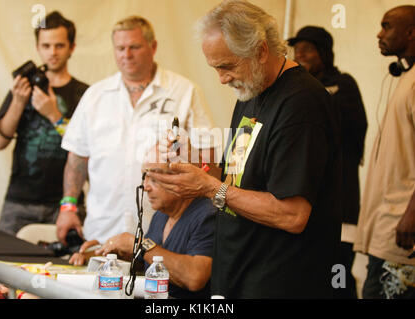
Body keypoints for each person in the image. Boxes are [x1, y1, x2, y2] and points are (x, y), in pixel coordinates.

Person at [148, 0, 342, 298]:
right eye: (215, 68)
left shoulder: (301, 103)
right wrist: (194, 161)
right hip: (238, 275)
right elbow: (237, 179)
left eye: (227, 66)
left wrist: (209, 188)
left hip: (281, 282)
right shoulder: (251, 89)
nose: (222, 79)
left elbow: (292, 214)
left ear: (261, 51)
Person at [57, 16, 215, 247]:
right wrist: (68, 207)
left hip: (165, 234)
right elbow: (77, 157)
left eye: (134, 47)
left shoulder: (184, 91)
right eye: (120, 48)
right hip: (102, 232)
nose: (126, 55)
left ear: (153, 47)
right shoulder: (95, 95)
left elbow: (209, 155)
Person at [70, 144, 216, 299]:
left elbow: (194, 277)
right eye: (144, 177)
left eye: (153, 178)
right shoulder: (161, 216)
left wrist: (139, 245)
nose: (145, 187)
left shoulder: (207, 215)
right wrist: (108, 256)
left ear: (180, 178)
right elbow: (153, 262)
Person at [288, 26, 368, 299]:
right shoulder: (295, 88)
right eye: (296, 51)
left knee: (340, 272)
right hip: (309, 203)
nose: (300, 56)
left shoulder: (342, 84)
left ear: (324, 53)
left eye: (307, 50)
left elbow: (355, 133)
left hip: (341, 199)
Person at [0, 11, 89, 236]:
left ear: (71, 47)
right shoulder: (22, 88)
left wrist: (53, 114)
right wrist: (18, 102)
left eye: (59, 46)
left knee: (70, 268)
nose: (52, 53)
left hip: (66, 202)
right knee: (0, 264)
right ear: (37, 47)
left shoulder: (85, 94)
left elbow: (89, 149)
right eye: (46, 46)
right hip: (20, 199)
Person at [354, 5, 415, 299]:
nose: (379, 34)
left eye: (387, 26)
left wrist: (411, 215)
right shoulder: (405, 76)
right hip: (387, 222)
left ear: (411, 32)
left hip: (402, 225)